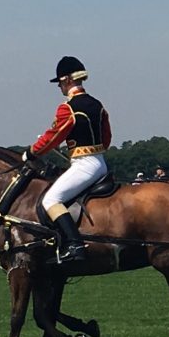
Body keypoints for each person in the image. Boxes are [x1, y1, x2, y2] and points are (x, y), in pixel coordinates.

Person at [23, 56, 111, 263]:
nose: (60, 88)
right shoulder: (98, 105)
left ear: (67, 80)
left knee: (50, 200)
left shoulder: (69, 107)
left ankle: (75, 245)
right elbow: (106, 139)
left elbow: (54, 136)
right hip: (101, 162)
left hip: (84, 165)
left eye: (60, 83)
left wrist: (31, 152)